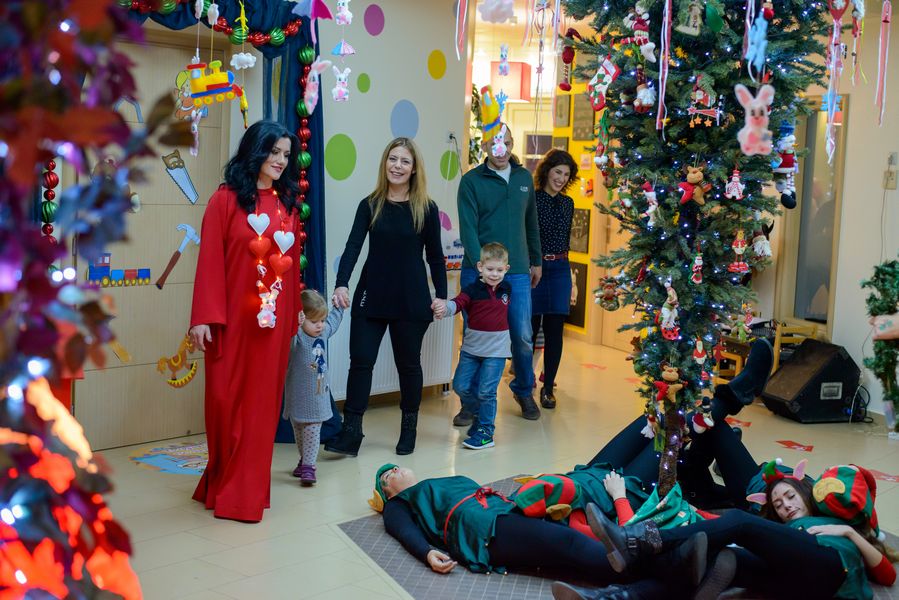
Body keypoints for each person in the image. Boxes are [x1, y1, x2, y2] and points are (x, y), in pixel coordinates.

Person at [368, 463, 723, 596]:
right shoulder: (400, 504)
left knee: (572, 550)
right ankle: (675, 568)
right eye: (387, 477)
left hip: (501, 513)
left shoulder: (432, 483)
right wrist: (427, 552)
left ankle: (675, 577)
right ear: (387, 493)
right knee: (570, 545)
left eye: (394, 468)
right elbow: (401, 530)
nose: (394, 472)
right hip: (484, 529)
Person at [188, 120, 304, 523]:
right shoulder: (224, 201)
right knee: (223, 403)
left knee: (259, 409)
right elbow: (209, 262)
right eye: (273, 152)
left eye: (286, 155)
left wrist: (293, 316)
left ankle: (244, 495)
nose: (280, 160)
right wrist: (203, 317)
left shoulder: (288, 206)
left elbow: (291, 268)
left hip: (271, 326)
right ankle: (220, 480)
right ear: (255, 150)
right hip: (228, 322)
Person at [325, 137, 447, 457]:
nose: (397, 166)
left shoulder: (426, 208)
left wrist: (443, 298)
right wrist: (341, 284)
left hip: (411, 299)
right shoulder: (370, 204)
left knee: (409, 366)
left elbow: (436, 257)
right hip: (372, 296)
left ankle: (409, 430)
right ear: (385, 163)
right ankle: (351, 433)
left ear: (414, 168)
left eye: (405, 161)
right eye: (393, 159)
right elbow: (353, 246)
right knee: (360, 362)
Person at [456, 117, 542, 423]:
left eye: (506, 143)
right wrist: (482, 269)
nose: (501, 149)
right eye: (495, 144)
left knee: (522, 334)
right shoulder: (471, 181)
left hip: (516, 270)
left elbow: (531, 222)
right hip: (477, 271)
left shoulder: (523, 178)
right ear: (484, 146)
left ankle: (523, 390)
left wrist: (536, 260)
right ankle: (471, 401)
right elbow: (468, 229)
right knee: (476, 335)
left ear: (512, 144)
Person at [433, 242, 512, 450]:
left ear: (506, 269)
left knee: (487, 391)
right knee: (460, 385)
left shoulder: (507, 288)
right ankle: (477, 411)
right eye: (490, 269)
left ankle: (486, 432)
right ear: (480, 267)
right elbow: (457, 303)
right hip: (471, 350)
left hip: (496, 352)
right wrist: (444, 308)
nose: (494, 274)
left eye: (499, 270)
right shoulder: (472, 290)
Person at [530, 149, 578, 409]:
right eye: (557, 172)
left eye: (566, 175)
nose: (560, 178)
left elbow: (564, 241)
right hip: (534, 268)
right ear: (547, 171)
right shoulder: (532, 199)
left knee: (555, 332)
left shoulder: (568, 203)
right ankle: (525, 384)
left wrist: (570, 278)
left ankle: (548, 388)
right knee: (529, 329)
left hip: (560, 269)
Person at [282, 289, 343, 486]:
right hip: (297, 398)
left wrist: (338, 307)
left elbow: (333, 321)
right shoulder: (297, 336)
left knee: (312, 432)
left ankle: (309, 466)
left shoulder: (323, 333)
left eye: (322, 320)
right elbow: (287, 344)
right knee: (300, 433)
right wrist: (294, 324)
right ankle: (304, 460)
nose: (320, 325)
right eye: (314, 321)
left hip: (317, 398)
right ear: (302, 319)